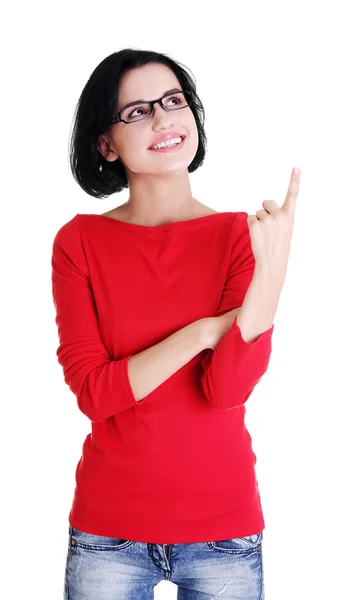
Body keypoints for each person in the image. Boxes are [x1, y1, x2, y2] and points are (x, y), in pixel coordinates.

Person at [52, 47, 275, 600]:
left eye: (174, 100)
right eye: (137, 110)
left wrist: (274, 269)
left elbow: (224, 389)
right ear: (106, 144)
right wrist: (201, 333)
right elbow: (94, 394)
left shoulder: (240, 236)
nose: (164, 118)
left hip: (224, 530)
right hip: (108, 534)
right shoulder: (79, 243)